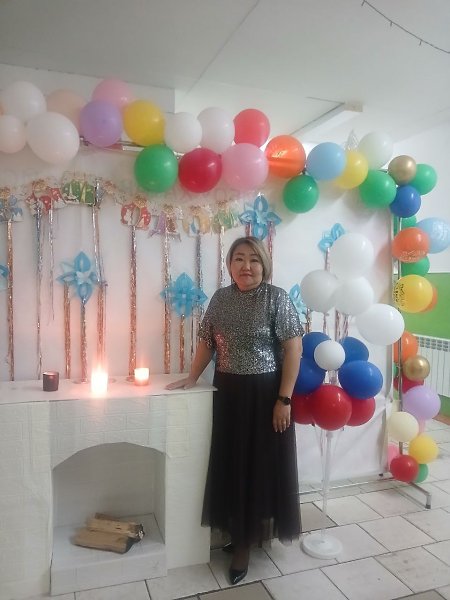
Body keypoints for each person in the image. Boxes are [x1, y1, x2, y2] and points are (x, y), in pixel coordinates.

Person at [167, 236, 303, 585]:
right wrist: (192, 377)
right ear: (229, 265)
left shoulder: (277, 298)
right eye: (239, 259)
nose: (246, 266)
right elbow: (207, 343)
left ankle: (244, 544)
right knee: (232, 464)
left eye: (254, 259)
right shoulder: (220, 299)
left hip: (265, 396)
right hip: (228, 393)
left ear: (264, 265)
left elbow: (294, 351)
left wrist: (284, 400)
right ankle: (239, 532)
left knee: (257, 467)